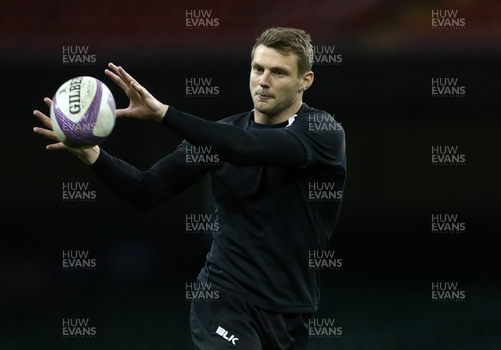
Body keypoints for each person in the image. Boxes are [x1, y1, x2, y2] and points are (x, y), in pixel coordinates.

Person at [33, 27, 346, 350]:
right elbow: (147, 189)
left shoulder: (322, 133)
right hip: (225, 300)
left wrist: (163, 114)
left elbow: (249, 147)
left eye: (278, 72)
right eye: (258, 69)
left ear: (305, 80)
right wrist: (94, 156)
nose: (263, 81)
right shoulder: (221, 134)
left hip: (293, 311)